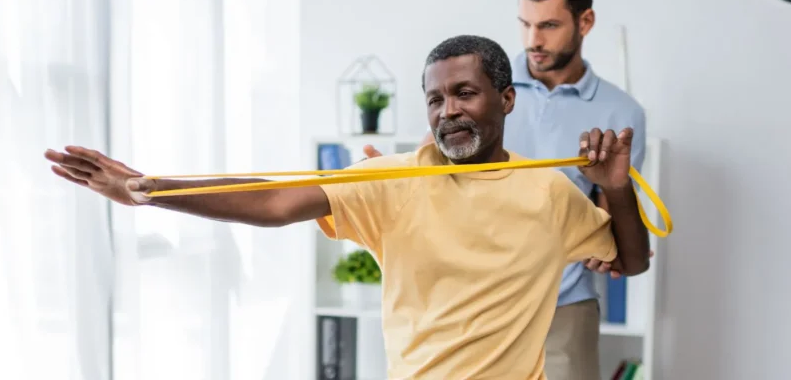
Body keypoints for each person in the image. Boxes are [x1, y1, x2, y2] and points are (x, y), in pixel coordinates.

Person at [44, 34, 651, 379]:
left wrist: (616, 188)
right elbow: (277, 199)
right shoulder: (390, 179)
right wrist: (150, 189)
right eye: (436, 100)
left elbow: (631, 258)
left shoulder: (547, 192)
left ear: (506, 101)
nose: (449, 112)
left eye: (465, 93)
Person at [356, 0, 647, 380]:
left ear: (585, 22)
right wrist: (383, 179)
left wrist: (609, 249)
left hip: (564, 301)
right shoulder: (481, 84)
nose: (534, 40)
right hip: (475, 298)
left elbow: (609, 218)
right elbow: (431, 167)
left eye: (548, 25)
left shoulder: (623, 112)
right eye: (525, 24)